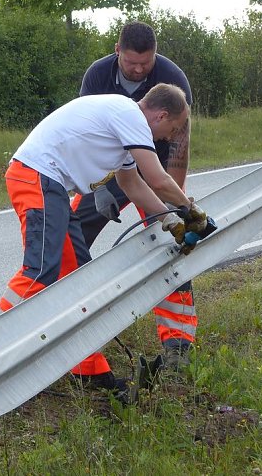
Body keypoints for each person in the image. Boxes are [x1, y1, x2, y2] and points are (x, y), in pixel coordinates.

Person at [0, 83, 207, 395]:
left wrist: (169, 218)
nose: (168, 138)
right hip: (36, 176)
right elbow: (159, 179)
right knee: (41, 270)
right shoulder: (129, 115)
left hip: (49, 183)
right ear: (161, 115)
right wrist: (191, 210)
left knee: (78, 279)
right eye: (171, 129)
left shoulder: (123, 128)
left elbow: (132, 184)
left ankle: (88, 371)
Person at [72, 21, 197, 370]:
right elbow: (88, 136)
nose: (140, 69)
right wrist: (98, 188)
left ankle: (178, 343)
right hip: (110, 170)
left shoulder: (173, 79)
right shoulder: (97, 76)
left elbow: (179, 147)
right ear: (117, 52)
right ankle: (69, 325)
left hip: (154, 168)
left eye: (146, 63)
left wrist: (175, 204)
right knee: (70, 233)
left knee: (170, 244)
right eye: (132, 63)